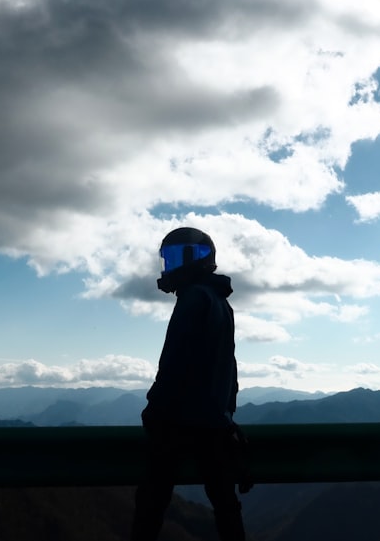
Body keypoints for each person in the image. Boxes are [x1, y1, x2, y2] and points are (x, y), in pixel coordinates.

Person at [131, 227, 247, 541]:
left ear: (191, 258)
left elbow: (174, 361)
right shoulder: (220, 301)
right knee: (225, 506)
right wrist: (226, 415)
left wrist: (154, 409)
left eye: (173, 257)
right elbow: (228, 368)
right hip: (213, 423)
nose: (168, 265)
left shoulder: (194, 297)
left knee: (151, 505)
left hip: (179, 421)